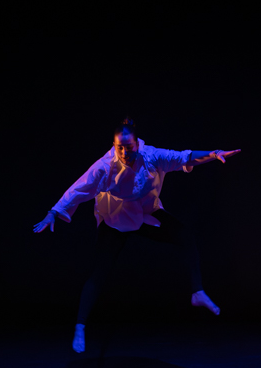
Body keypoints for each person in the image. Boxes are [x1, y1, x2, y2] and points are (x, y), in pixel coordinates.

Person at [34, 118, 240, 353]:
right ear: (113, 145)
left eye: (128, 147)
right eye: (119, 147)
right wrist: (53, 212)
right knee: (99, 274)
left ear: (137, 144)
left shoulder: (151, 155)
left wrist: (214, 154)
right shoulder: (104, 166)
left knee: (185, 236)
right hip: (115, 219)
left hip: (146, 213)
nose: (124, 152)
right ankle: (80, 327)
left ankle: (198, 291)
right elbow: (78, 189)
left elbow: (184, 156)